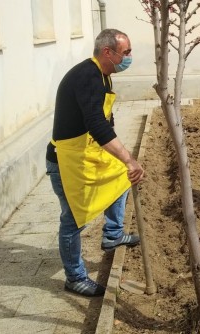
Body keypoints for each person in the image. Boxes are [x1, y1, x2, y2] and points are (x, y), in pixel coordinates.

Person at [46, 29, 144, 297]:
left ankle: (112, 234)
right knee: (74, 220)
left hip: (86, 153)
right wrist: (129, 158)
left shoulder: (104, 76)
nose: (129, 57)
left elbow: (105, 121)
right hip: (67, 160)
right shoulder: (87, 77)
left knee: (122, 176)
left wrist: (122, 159)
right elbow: (97, 124)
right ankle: (74, 277)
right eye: (126, 52)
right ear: (107, 53)